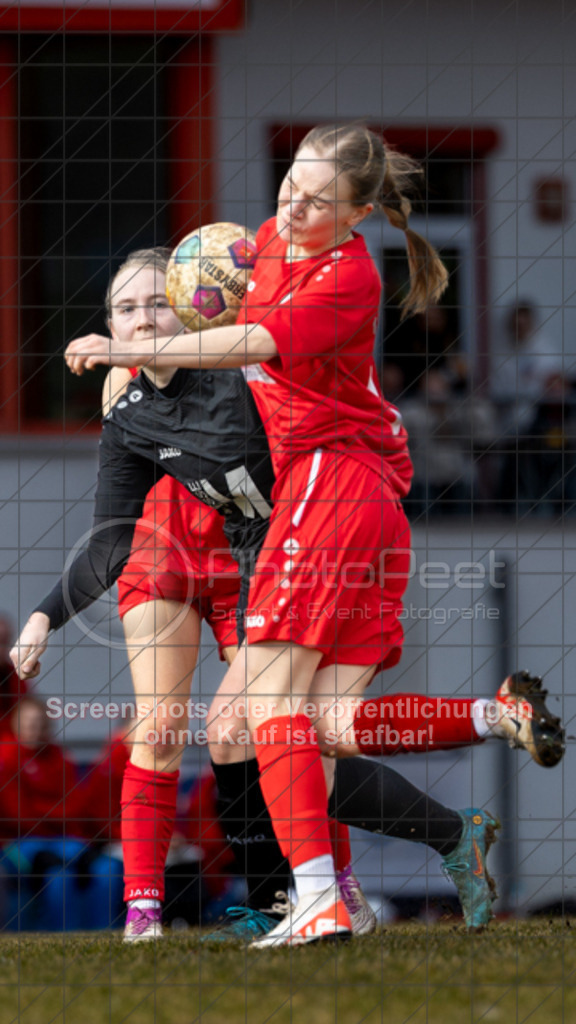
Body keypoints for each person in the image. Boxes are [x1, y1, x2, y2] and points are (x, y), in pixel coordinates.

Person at [54, 125, 564, 946]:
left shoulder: (347, 277)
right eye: (290, 181)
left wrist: (132, 343)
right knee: (323, 730)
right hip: (366, 506)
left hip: (330, 490)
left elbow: (252, 341)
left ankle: (317, 895)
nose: (292, 202)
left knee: (260, 713)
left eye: (316, 198)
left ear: (357, 212)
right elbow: (222, 264)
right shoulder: (271, 241)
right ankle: (484, 719)